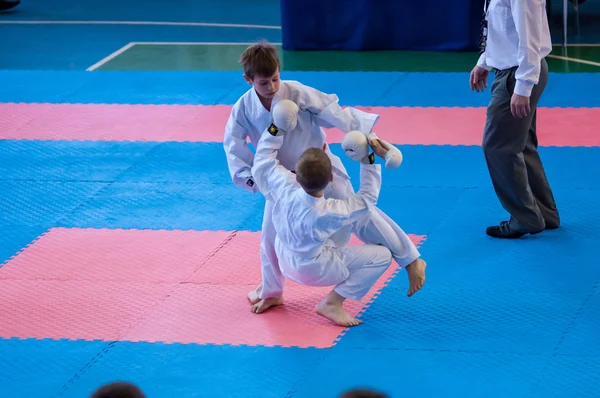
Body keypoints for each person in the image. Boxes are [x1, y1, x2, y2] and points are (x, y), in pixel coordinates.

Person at [223, 41, 424, 311]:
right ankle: (272, 292)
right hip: (282, 180)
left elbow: (334, 112)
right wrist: (252, 179)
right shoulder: (242, 109)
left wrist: (369, 137)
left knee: (362, 214)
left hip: (321, 165)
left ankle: (410, 259)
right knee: (270, 237)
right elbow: (233, 146)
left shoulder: (296, 92)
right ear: (248, 79)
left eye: (275, 79)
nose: (271, 87)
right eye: (263, 83)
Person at [249, 118, 424, 326]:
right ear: (332, 178)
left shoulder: (283, 187)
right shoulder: (330, 212)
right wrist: (367, 160)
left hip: (284, 261)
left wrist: (275, 128)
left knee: (335, 230)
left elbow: (263, 161)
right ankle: (332, 303)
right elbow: (367, 198)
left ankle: (409, 258)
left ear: (296, 176)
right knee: (382, 256)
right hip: (313, 270)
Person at [470, 0, 560, 239]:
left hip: (518, 74)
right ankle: (543, 212)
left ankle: (525, 217)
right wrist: (485, 61)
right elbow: (500, 29)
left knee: (498, 147)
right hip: (510, 71)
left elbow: (529, 37)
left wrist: (523, 87)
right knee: (521, 145)